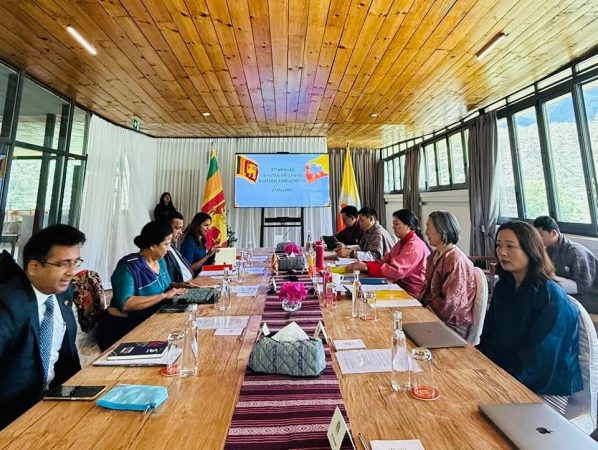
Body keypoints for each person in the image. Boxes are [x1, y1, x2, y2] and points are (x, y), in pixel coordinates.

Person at [478, 221, 582, 397]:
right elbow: (489, 332)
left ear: (531, 250)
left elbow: (540, 358)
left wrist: (499, 384)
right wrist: (478, 365)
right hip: (503, 372)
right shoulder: (505, 286)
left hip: (542, 386)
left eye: (510, 246)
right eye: (499, 245)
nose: (502, 252)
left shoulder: (551, 298)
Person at [0, 224, 85, 429]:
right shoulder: (8, 304)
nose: (72, 272)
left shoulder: (62, 293)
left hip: (53, 401)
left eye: (75, 262)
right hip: (12, 415)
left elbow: (65, 355)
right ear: (34, 267)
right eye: (64, 264)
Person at [96, 221, 186, 351]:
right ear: (152, 245)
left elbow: (164, 286)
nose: (169, 248)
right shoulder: (128, 267)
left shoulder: (160, 261)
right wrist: (163, 296)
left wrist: (179, 285)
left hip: (151, 318)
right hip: (123, 327)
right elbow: (126, 303)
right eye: (166, 244)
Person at [419, 211, 476, 338]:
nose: (426, 233)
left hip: (450, 324)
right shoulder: (434, 255)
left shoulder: (455, 259)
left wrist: (422, 312)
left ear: (442, 230)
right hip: (433, 314)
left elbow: (450, 305)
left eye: (429, 228)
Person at [347, 209, 429, 297]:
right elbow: (385, 260)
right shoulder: (401, 242)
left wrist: (366, 267)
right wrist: (365, 264)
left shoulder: (414, 245)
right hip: (397, 286)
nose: (393, 227)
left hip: (411, 292)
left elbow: (396, 271)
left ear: (408, 226)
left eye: (396, 224)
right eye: (393, 224)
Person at [534, 215, 598, 314]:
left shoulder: (575, 252)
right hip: (568, 293)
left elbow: (582, 286)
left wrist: (551, 281)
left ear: (554, 233)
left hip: (590, 295)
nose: (537, 240)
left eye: (541, 235)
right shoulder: (547, 250)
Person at [163, 212, 195, 285]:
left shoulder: (173, 247)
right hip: (181, 288)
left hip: (191, 283)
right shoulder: (162, 252)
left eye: (181, 228)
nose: (181, 232)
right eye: (177, 228)